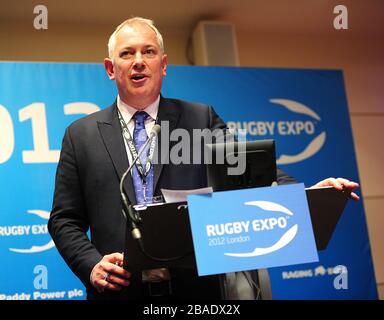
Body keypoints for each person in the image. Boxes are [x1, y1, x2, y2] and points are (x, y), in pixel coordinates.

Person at [48, 17, 360, 300]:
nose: (139, 62)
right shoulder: (81, 134)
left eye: (149, 52)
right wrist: (91, 266)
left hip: (196, 290)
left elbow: (249, 176)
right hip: (121, 291)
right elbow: (64, 220)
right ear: (110, 68)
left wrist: (308, 195)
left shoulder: (198, 118)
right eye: (127, 53)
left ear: (164, 64)